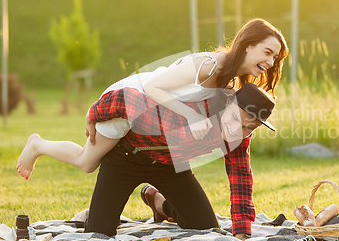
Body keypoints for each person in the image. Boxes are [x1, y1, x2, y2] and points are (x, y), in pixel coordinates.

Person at [16, 18, 288, 179]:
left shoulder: (232, 82)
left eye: (274, 57)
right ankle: (38, 144)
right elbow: (154, 88)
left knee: (91, 162)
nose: (270, 61)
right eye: (267, 52)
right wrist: (192, 116)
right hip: (130, 102)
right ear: (248, 45)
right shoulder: (208, 66)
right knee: (87, 162)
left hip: (150, 117)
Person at [83, 82, 277, 240]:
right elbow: (125, 99)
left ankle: (160, 205)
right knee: (97, 235)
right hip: (126, 158)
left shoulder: (239, 137)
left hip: (171, 166)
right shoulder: (196, 108)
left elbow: (240, 176)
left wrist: (241, 232)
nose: (236, 130)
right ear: (228, 104)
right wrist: (93, 114)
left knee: (206, 229)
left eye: (247, 128)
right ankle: (134, 208)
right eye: (235, 118)